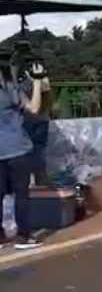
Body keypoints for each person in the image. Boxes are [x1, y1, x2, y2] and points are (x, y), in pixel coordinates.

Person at [0, 59, 45, 249]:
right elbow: (34, 108)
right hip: (18, 148)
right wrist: (37, 81)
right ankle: (23, 236)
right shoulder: (10, 89)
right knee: (21, 194)